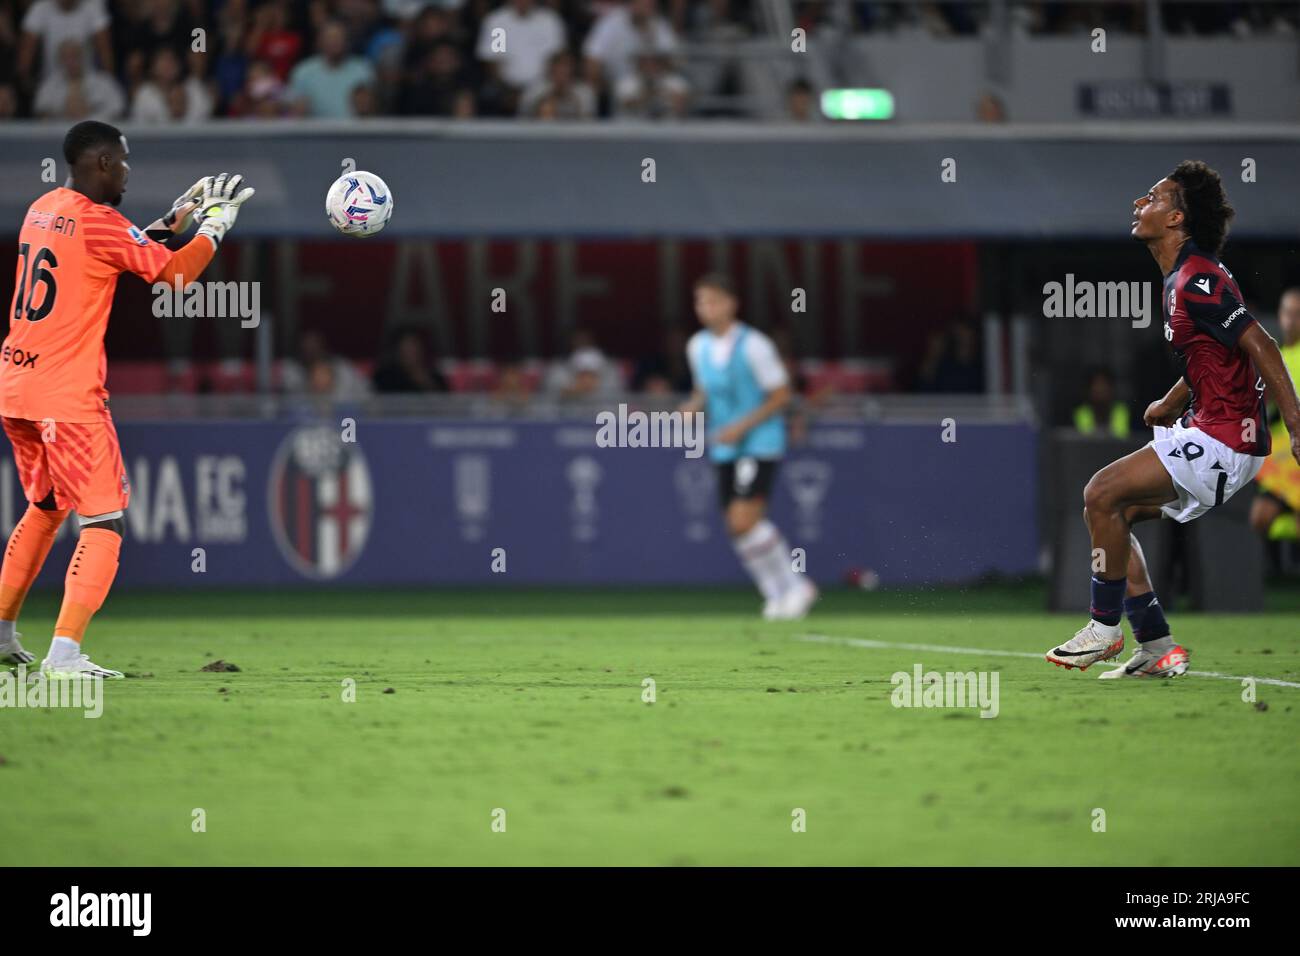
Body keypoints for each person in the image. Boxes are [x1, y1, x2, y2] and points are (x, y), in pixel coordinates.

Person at [0, 121, 253, 677]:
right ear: (102, 163)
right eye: (124, 159)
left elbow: (106, 250)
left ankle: (2, 636)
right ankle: (64, 655)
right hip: (66, 397)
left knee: (45, 509)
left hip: (16, 388)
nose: (129, 169)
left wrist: (172, 220)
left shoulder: (43, 207)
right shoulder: (100, 222)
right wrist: (215, 225)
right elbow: (177, 275)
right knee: (105, 522)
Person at [1045, 161, 1300, 679]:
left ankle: (1103, 628)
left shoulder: (1196, 278)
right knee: (1112, 517)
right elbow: (1218, 352)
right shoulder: (1184, 275)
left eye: (1153, 198)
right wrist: (1173, 398)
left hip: (1224, 440)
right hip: (1212, 430)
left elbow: (1260, 343)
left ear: (1177, 217)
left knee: (1100, 491)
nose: (1140, 204)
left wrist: (1295, 424)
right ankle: (1158, 646)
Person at [680, 274, 816, 620]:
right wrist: (691, 408)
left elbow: (782, 395)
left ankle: (795, 586)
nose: (705, 308)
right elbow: (703, 391)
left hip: (759, 441)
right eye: (699, 301)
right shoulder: (697, 346)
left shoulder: (755, 345)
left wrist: (741, 426)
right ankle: (775, 594)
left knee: (743, 520)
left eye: (712, 300)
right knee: (735, 525)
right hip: (724, 445)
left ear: (730, 303)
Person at [1249, 287, 1300, 541]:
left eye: (1298, 314)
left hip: (1297, 453)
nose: (1291, 320)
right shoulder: (1274, 355)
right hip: (1281, 458)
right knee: (1260, 518)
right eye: (1287, 313)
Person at [1072, 367, 1130, 439]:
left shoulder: (1120, 410)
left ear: (1111, 389)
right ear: (1089, 390)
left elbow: (1121, 437)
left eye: (1104, 387)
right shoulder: (1082, 411)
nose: (1100, 390)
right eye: (1096, 387)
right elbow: (1085, 438)